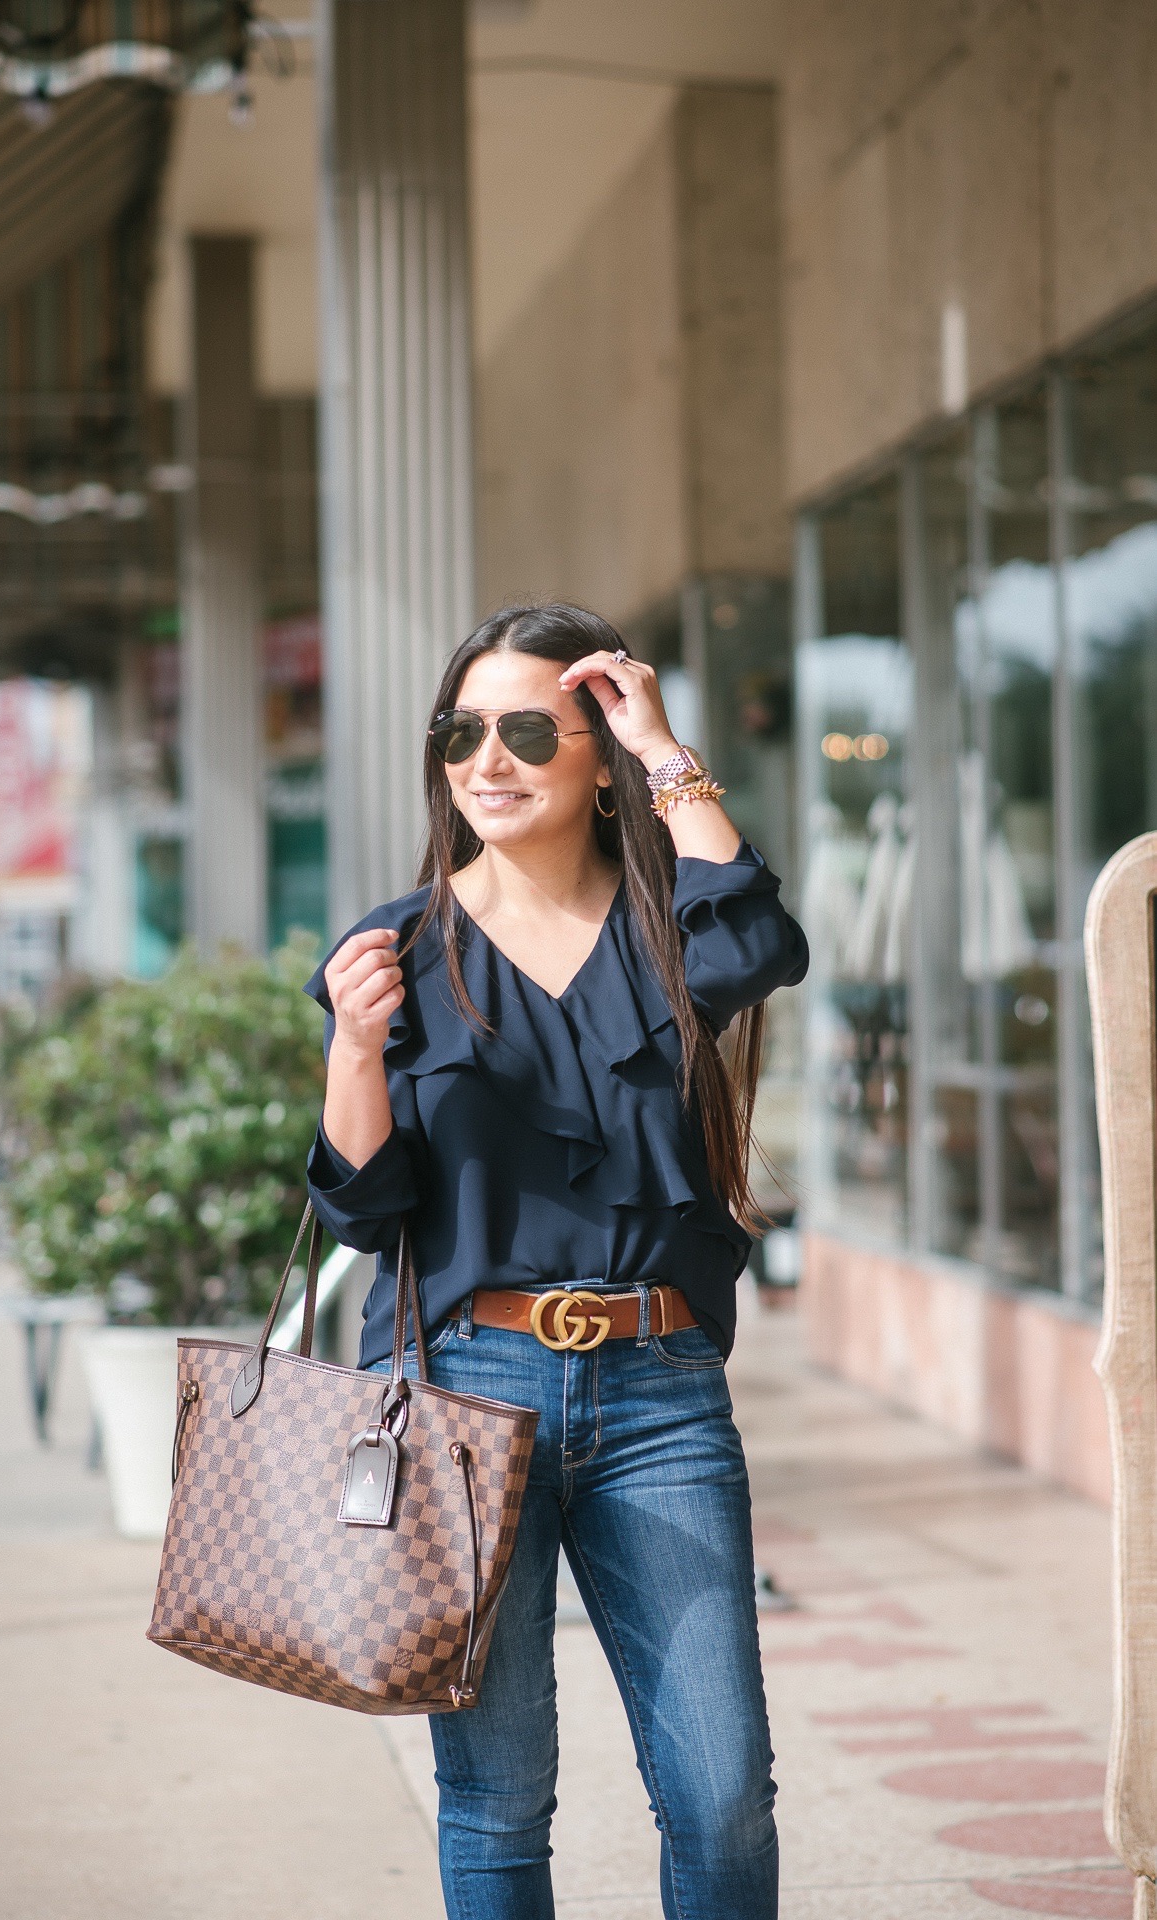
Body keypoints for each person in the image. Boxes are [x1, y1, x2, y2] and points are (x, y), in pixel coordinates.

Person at [304, 603, 808, 1920]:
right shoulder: (396, 946)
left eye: (530, 729)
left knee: (720, 1789)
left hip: (659, 1393)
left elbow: (761, 950)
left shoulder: (669, 931)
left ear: (597, 760)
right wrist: (353, 1053)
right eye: (460, 731)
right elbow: (364, 1215)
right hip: (461, 1392)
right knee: (494, 1795)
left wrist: (667, 750)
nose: (488, 757)